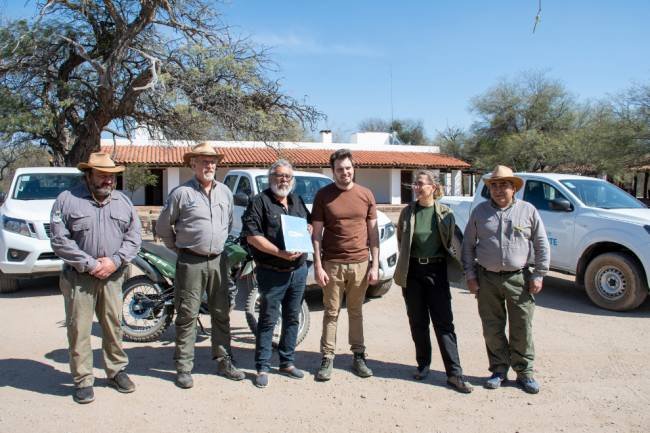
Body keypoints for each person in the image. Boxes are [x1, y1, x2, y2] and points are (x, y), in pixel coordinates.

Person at [50, 153, 142, 404]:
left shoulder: (123, 202)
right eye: (102, 175)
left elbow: (134, 237)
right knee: (79, 327)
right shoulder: (66, 201)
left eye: (111, 176)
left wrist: (115, 261)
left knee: (113, 325)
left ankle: (116, 371)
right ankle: (83, 379)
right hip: (80, 277)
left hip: (113, 276)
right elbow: (59, 240)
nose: (108, 181)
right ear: (88, 175)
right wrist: (90, 264)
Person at [156, 142, 245, 389]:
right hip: (191, 261)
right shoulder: (181, 194)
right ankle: (184, 367)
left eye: (212, 161)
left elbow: (227, 223)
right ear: (192, 163)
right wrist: (181, 249)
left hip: (219, 260)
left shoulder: (225, 192)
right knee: (187, 314)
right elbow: (163, 227)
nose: (209, 165)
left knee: (221, 311)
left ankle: (224, 360)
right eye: (203, 161)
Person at [461, 165, 550, 394]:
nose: (499, 189)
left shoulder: (528, 211)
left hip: (519, 278)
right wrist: (470, 276)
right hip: (487, 279)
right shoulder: (480, 212)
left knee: (522, 326)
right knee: (492, 327)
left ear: (514, 188)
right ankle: (499, 370)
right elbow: (468, 247)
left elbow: (541, 244)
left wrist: (539, 274)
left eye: (504, 185)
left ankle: (524, 372)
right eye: (494, 185)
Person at [393, 170, 473, 393]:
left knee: (444, 323)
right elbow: (402, 240)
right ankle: (423, 364)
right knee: (418, 322)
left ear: (433, 187)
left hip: (436, 272)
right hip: (413, 272)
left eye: (421, 184)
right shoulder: (408, 212)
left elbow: (450, 242)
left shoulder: (445, 213)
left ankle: (454, 374)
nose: (416, 188)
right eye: (415, 184)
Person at [311, 149, 379, 381]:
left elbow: (373, 233)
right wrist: (318, 266)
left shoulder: (366, 194)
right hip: (332, 264)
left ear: (354, 168)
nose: (345, 172)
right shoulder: (323, 195)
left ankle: (358, 356)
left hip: (360, 263)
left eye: (348, 168)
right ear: (333, 171)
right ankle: (327, 358)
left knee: (356, 312)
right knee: (331, 313)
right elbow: (317, 235)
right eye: (340, 169)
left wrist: (375, 264)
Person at [242, 160, 310, 388]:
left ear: (292, 180)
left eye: (288, 176)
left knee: (292, 317)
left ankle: (287, 362)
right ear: (270, 178)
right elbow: (253, 236)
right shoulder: (259, 202)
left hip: (298, 271)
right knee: (268, 320)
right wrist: (280, 253)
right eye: (279, 175)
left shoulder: (297, 201)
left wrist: (307, 230)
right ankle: (261, 366)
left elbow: (307, 225)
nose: (283, 180)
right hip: (272, 272)